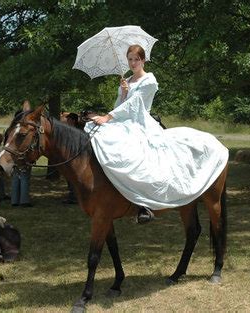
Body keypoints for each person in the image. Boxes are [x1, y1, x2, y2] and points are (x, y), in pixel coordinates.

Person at [86, 45, 228, 224]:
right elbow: (120, 105)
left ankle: (144, 203)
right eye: (130, 59)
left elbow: (135, 105)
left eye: (136, 59)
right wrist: (122, 93)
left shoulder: (149, 80)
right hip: (123, 121)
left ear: (143, 60)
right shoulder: (126, 81)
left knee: (139, 156)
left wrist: (108, 116)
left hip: (140, 123)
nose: (133, 63)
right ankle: (115, 191)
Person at [10, 100, 33, 207]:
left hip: (12, 156)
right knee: (24, 177)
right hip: (21, 156)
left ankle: (14, 200)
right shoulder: (20, 130)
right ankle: (24, 200)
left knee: (16, 178)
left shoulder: (11, 129)